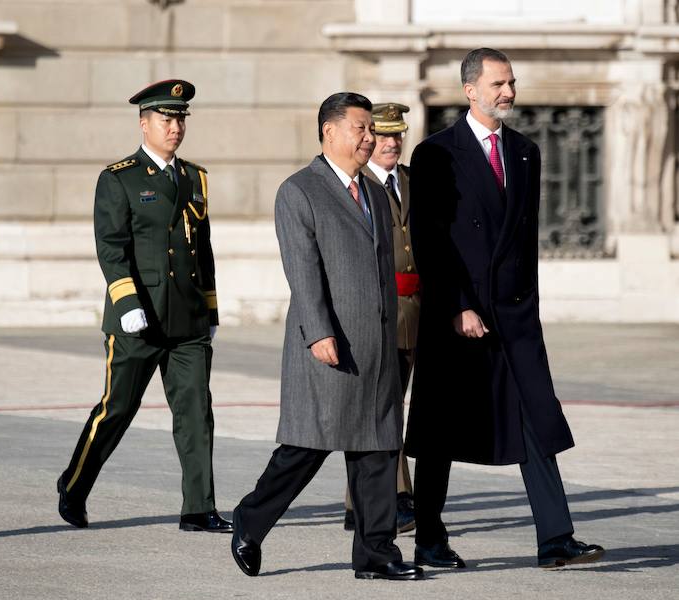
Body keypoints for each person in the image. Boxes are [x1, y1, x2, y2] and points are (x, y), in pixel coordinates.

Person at [406, 48, 606, 569]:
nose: (508, 93)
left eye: (512, 83)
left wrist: (528, 308)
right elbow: (430, 241)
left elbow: (527, 241)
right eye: (498, 84)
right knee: (441, 431)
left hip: (513, 316)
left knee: (535, 418)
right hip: (459, 317)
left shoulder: (524, 150)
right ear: (470, 90)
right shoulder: (435, 154)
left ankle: (556, 540)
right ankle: (428, 537)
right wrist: (457, 306)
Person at [230, 92, 423, 581]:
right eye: (360, 128)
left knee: (378, 450)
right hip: (329, 344)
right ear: (329, 131)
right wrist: (318, 332)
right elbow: (303, 271)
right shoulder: (300, 191)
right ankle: (250, 523)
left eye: (370, 130)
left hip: (376, 344)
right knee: (306, 449)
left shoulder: (377, 192)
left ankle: (377, 555)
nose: (369, 138)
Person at [56, 79, 231, 533]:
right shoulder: (119, 178)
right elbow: (110, 247)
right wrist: (127, 301)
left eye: (180, 120)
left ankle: (198, 507)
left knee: (196, 411)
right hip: (139, 317)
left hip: (187, 318)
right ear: (144, 123)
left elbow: (202, 249)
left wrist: (210, 309)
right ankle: (74, 486)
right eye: (166, 119)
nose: (175, 128)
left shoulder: (194, 177)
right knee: (117, 409)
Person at [341, 102, 417, 534]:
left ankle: (358, 504)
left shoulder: (410, 181)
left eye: (396, 136)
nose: (390, 144)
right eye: (382, 136)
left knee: (393, 408)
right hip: (380, 311)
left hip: (417, 312)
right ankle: (398, 497)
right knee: (385, 410)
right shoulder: (358, 185)